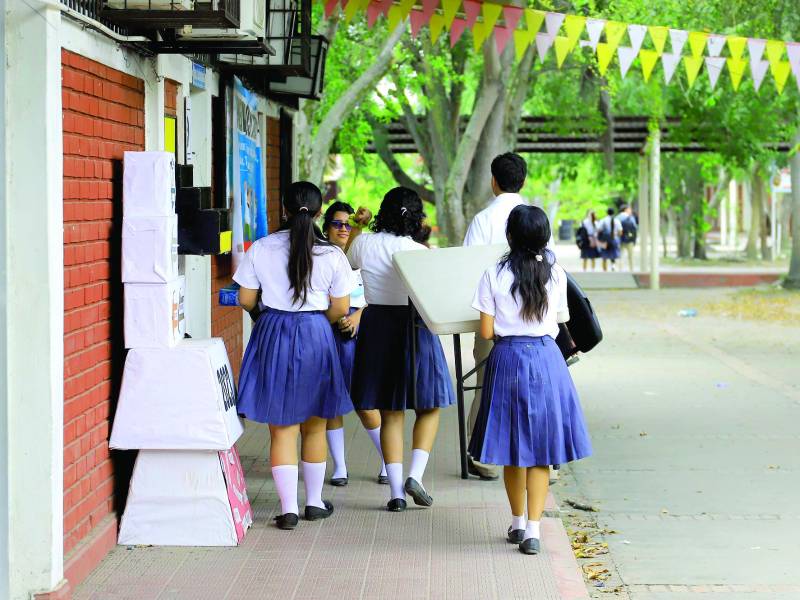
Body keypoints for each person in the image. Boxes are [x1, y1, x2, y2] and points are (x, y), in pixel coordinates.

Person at [469, 204, 592, 556]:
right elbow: (561, 319)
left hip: (508, 358)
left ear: (510, 235)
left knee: (513, 448)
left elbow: (487, 330)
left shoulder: (493, 273)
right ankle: (535, 531)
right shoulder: (556, 274)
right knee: (541, 451)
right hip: (547, 360)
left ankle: (518, 521)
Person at [234, 182, 354, 531]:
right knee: (315, 424)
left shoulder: (261, 247)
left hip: (273, 331)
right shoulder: (332, 255)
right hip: (316, 334)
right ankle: (314, 503)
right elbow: (341, 307)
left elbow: (244, 298)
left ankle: (288, 510)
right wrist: (317, 322)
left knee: (282, 428)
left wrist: (266, 315)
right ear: (320, 213)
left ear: (283, 209)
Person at [347, 187, 455, 512]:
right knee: (429, 405)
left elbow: (347, 262)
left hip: (377, 323)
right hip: (414, 326)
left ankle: (395, 494)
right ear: (416, 217)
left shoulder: (363, 243)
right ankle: (416, 476)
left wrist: (357, 224)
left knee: (390, 411)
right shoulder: (417, 251)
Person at [462, 152, 528, 481]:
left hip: (493, 319)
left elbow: (470, 270)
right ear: (524, 181)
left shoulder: (483, 220)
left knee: (485, 385)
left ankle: (483, 458)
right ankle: (537, 457)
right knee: (532, 388)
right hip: (533, 321)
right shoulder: (537, 216)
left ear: (493, 182)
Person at [321, 201, 388, 486]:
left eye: (348, 224)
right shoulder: (321, 256)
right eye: (337, 224)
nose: (344, 229)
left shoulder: (359, 256)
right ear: (326, 228)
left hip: (362, 329)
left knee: (364, 401)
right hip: (329, 328)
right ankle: (340, 467)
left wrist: (359, 315)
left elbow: (376, 296)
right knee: (331, 400)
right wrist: (335, 317)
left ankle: (388, 461)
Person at [597, 207, 622, 272]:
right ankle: (613, 266)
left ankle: (604, 270)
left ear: (607, 212)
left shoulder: (603, 220)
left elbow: (598, 229)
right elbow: (620, 231)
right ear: (613, 213)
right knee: (613, 254)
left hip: (605, 240)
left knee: (604, 254)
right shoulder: (616, 220)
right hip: (614, 239)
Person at [618, 204, 638, 272]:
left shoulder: (617, 217)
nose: (631, 210)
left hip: (621, 239)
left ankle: (620, 270)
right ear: (626, 209)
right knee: (631, 256)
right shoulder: (631, 217)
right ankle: (631, 270)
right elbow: (634, 228)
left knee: (620, 256)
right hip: (630, 239)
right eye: (629, 209)